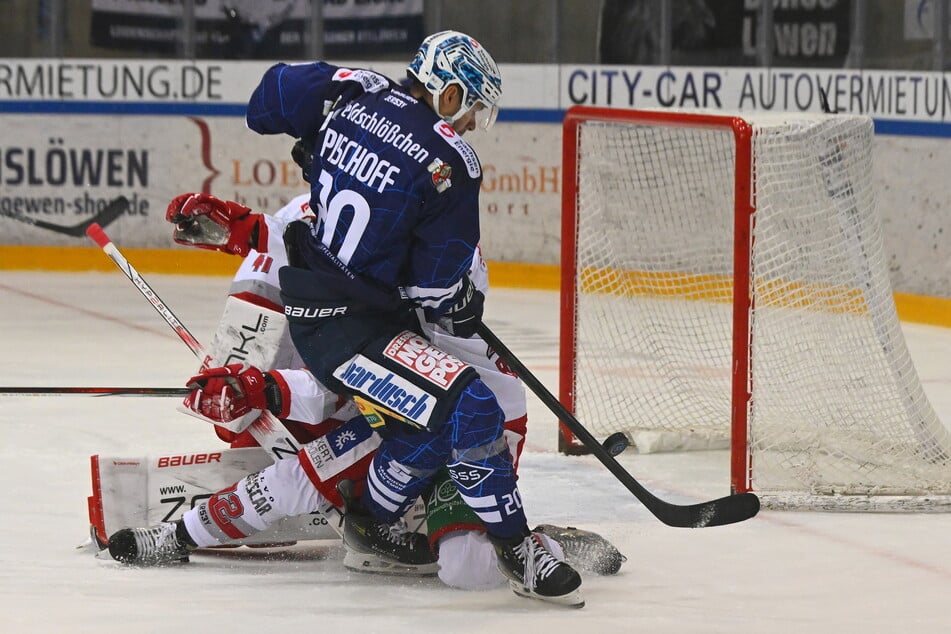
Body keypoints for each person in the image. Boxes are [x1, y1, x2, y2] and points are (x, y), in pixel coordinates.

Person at [105, 191, 625, 593]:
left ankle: (541, 542)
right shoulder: (340, 231)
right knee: (297, 478)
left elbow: (358, 374)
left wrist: (264, 388)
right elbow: (327, 361)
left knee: (464, 568)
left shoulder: (428, 260)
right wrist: (242, 381)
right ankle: (177, 536)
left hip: (470, 415)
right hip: (397, 407)